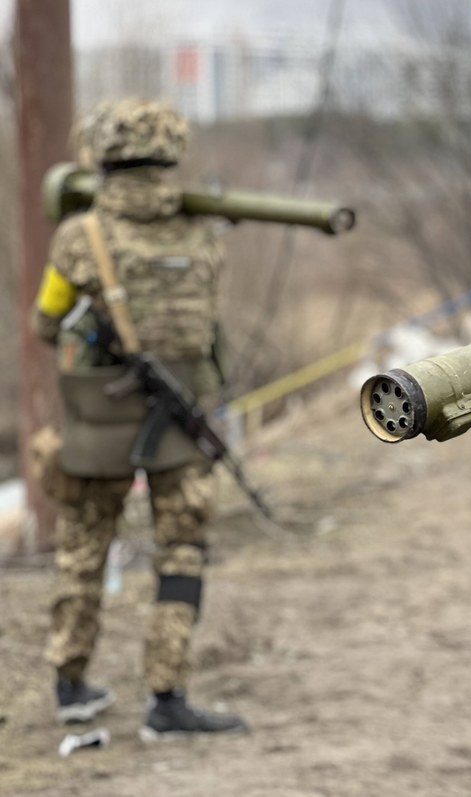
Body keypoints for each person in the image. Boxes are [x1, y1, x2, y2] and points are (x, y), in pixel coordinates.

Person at [30, 99, 247, 740]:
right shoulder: (201, 232)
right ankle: (168, 696)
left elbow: (47, 322)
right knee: (181, 554)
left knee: (82, 553)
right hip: (181, 424)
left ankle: (70, 686)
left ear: (101, 154)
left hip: (99, 423)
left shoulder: (80, 236)